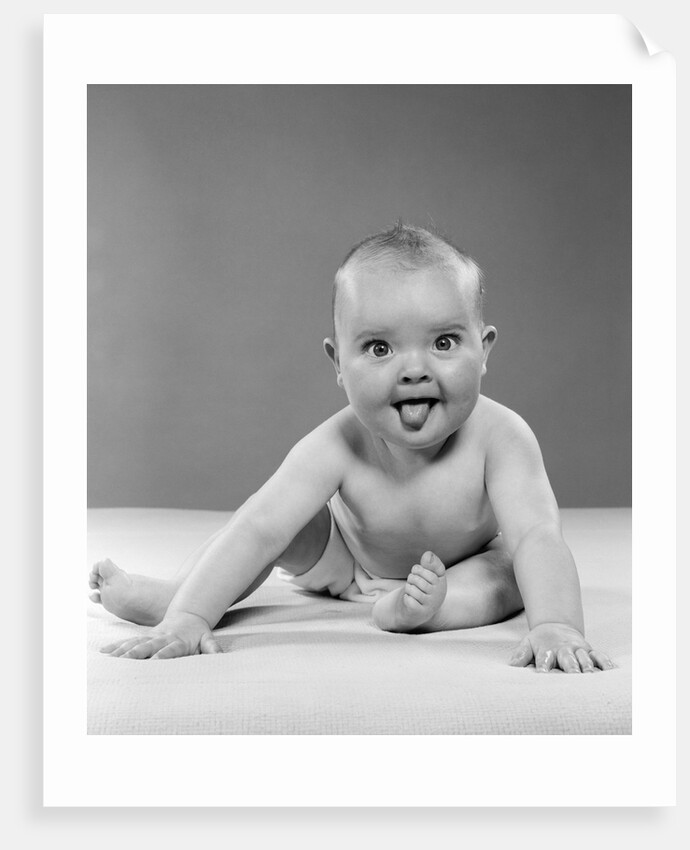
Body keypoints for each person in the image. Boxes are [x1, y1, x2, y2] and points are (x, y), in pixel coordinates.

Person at [90, 222, 614, 673]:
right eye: (379, 347)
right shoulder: (336, 441)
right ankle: (182, 598)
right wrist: (192, 622)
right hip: (343, 557)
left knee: (509, 572)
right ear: (338, 361)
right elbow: (260, 525)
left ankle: (422, 610)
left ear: (484, 350)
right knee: (281, 526)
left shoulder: (503, 437)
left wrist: (557, 626)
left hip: (460, 563)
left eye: (444, 342)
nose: (414, 368)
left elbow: (536, 535)